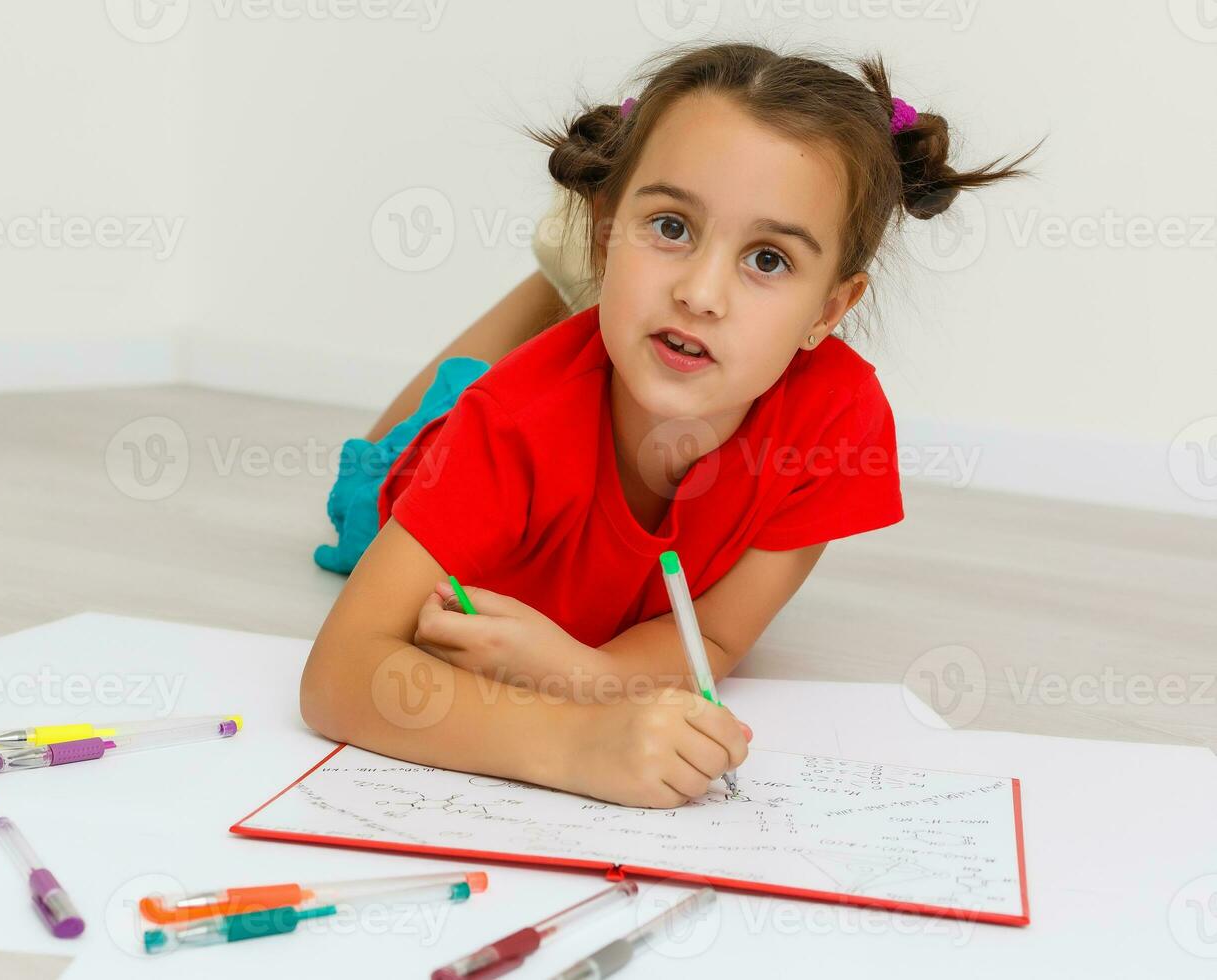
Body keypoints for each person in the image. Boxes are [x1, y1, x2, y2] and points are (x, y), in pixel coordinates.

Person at [303, 41, 1041, 808]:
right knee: (372, 471)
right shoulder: (511, 426)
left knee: (548, 365)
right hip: (455, 446)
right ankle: (560, 285)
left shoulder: (836, 424)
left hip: (578, 379)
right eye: (672, 226)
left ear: (828, 312)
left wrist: (581, 675)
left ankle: (598, 286)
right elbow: (341, 675)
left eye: (767, 259)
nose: (701, 293)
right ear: (606, 229)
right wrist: (575, 740)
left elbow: (715, 638)